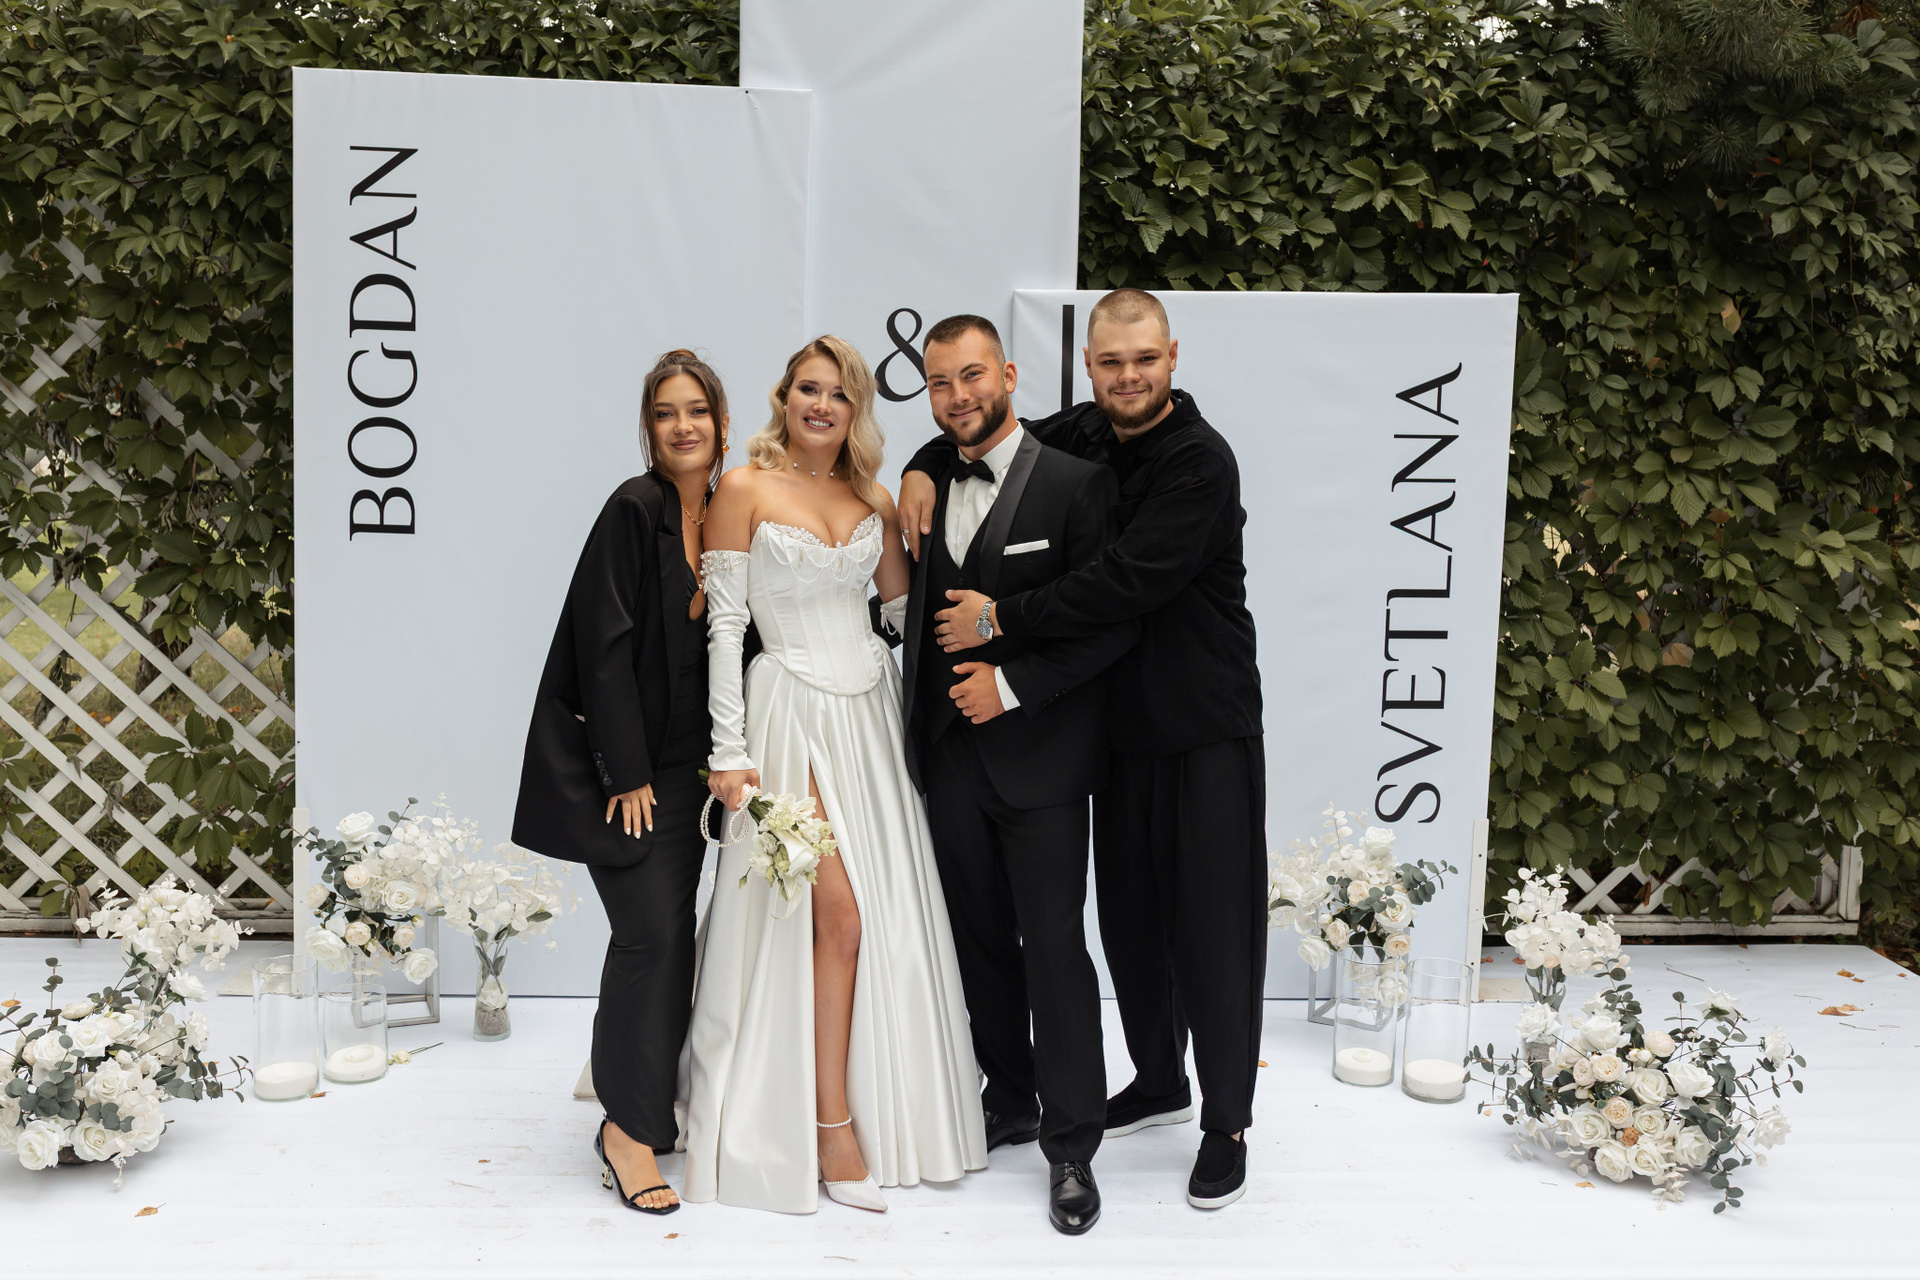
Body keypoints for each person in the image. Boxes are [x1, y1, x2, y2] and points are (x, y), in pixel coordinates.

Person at [897, 289, 1266, 1211]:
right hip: (1116, 731)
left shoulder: (1201, 462)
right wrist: (919, 466)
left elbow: (1123, 583)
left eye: (1143, 359)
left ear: (1171, 357)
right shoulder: (1090, 430)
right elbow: (980, 429)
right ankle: (1158, 1081)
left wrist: (999, 622)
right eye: (1110, 362)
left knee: (1211, 930)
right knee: (1130, 923)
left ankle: (1226, 1124)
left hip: (1203, 722)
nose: (1127, 376)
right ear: (1091, 366)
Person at [682, 335, 987, 1214]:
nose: (821, 405)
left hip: (870, 719)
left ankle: (891, 1113)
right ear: (785, 398)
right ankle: (827, 1126)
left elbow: (904, 615)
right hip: (789, 717)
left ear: (857, 409)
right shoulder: (744, 489)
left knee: (882, 921)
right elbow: (725, 628)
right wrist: (729, 751)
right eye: (808, 389)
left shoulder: (875, 499)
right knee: (838, 917)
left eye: (839, 393)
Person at [898, 314, 1135, 1235]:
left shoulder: (1078, 484)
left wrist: (1011, 684)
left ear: (1007, 374)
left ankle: (1072, 1147)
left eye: (971, 376)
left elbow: (1111, 627)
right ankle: (1011, 1096)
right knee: (979, 940)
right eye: (939, 382)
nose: (957, 396)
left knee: (1055, 950)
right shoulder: (924, 488)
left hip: (1042, 760)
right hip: (948, 759)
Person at [510, 349, 730, 1215]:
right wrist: (627, 772)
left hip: (698, 776)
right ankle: (627, 1131)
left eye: (696, 411)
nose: (683, 426)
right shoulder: (634, 509)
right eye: (666, 413)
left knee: (667, 938)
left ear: (720, 421)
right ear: (649, 428)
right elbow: (599, 646)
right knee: (651, 939)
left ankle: (641, 1098)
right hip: (632, 778)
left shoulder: (726, 509)